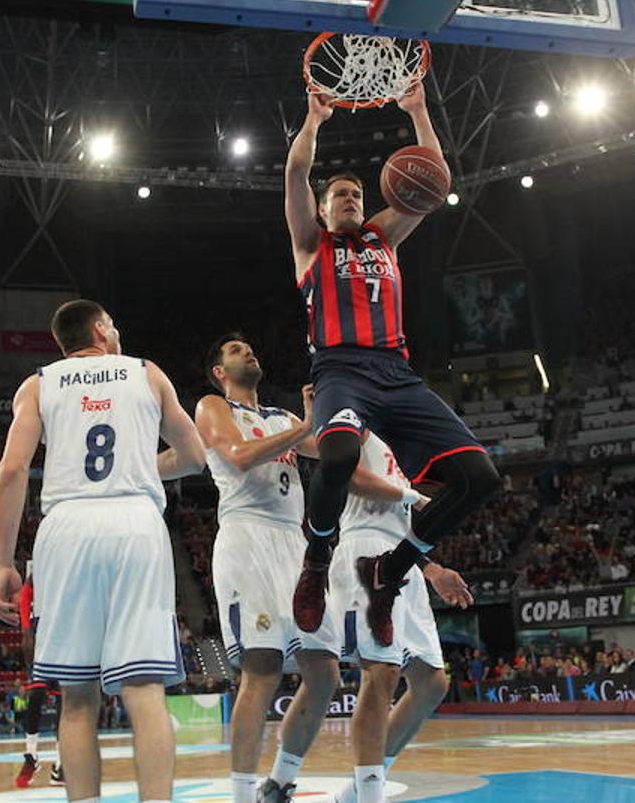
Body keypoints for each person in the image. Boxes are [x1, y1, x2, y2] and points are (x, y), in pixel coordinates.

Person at [284, 82, 501, 651]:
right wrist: (312, 121)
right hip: (340, 369)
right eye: (340, 195)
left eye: (357, 193)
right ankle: (317, 558)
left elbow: (432, 179)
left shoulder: (386, 236)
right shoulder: (311, 245)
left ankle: (389, 571)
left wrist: (419, 111)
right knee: (336, 453)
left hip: (397, 373)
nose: (351, 199)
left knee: (481, 479)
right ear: (323, 210)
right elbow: (294, 176)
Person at [0, 300, 206, 803]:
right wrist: (135, 466)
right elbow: (194, 457)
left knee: (78, 699)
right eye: (114, 323)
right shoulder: (147, 373)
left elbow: (10, 471)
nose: (118, 330)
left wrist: (4, 561)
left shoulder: (38, 383)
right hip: (134, 522)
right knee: (145, 692)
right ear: (99, 329)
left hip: (67, 526)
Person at [197, 333, 422, 802]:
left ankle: (278, 782)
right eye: (236, 351)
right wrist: (304, 428)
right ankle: (241, 795)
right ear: (220, 372)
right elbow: (237, 457)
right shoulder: (213, 407)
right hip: (247, 537)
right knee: (262, 668)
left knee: (325, 674)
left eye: (250, 346)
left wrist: (335, 415)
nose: (249, 352)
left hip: (295, 545)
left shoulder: (280, 418)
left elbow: (338, 454)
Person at [325, 431, 473, 803]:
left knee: (431, 683)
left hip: (402, 555)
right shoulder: (354, 418)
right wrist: (416, 497)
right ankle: (370, 795)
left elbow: (399, 528)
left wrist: (433, 570)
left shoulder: (399, 443)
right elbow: (355, 480)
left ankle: (356, 791)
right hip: (365, 548)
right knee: (381, 674)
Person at [15, 562, 64, 789]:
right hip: (40, 644)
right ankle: (31, 755)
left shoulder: (63, 583)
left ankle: (61, 764)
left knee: (65, 707)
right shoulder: (31, 587)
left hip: (63, 643)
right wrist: (25, 631)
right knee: (35, 698)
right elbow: (27, 592)